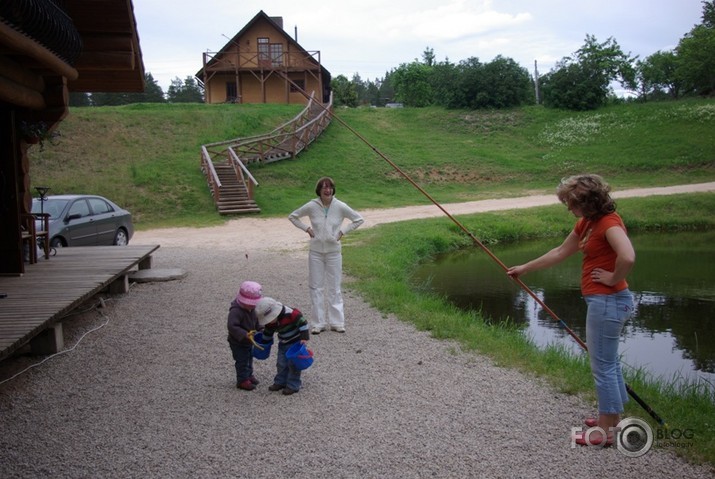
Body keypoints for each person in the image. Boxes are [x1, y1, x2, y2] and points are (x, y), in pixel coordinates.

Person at [506, 174, 635, 447]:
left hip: (609, 302)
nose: (568, 208)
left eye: (571, 203)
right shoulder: (587, 223)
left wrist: (612, 278)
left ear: (588, 203)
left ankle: (604, 432)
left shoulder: (609, 224)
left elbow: (628, 256)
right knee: (608, 363)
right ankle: (613, 419)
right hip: (603, 302)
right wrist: (524, 268)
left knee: (602, 367)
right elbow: (559, 252)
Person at [289, 176, 364, 334]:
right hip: (315, 252)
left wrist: (342, 232)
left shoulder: (340, 206)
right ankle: (318, 323)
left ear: (333, 190)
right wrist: (307, 229)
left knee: (334, 287)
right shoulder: (311, 206)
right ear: (319, 190)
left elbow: (358, 219)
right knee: (316, 287)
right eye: (324, 187)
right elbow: (293, 216)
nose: (327, 190)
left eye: (329, 187)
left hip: (334, 252)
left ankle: (337, 322)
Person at [254, 296, 311, 395]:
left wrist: (304, 337)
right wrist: (264, 342)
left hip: (295, 345)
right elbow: (268, 332)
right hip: (283, 344)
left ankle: (293, 385)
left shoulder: (292, 314)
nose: (268, 322)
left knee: (293, 365)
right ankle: (280, 382)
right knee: (281, 363)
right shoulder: (271, 323)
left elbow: (303, 324)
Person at [227, 280, 263, 391]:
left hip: (249, 340)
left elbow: (256, 321)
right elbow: (232, 326)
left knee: (249, 358)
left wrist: (261, 329)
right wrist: (244, 334)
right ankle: (242, 380)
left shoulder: (251, 309)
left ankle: (249, 375)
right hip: (238, 342)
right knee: (242, 360)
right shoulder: (236, 311)